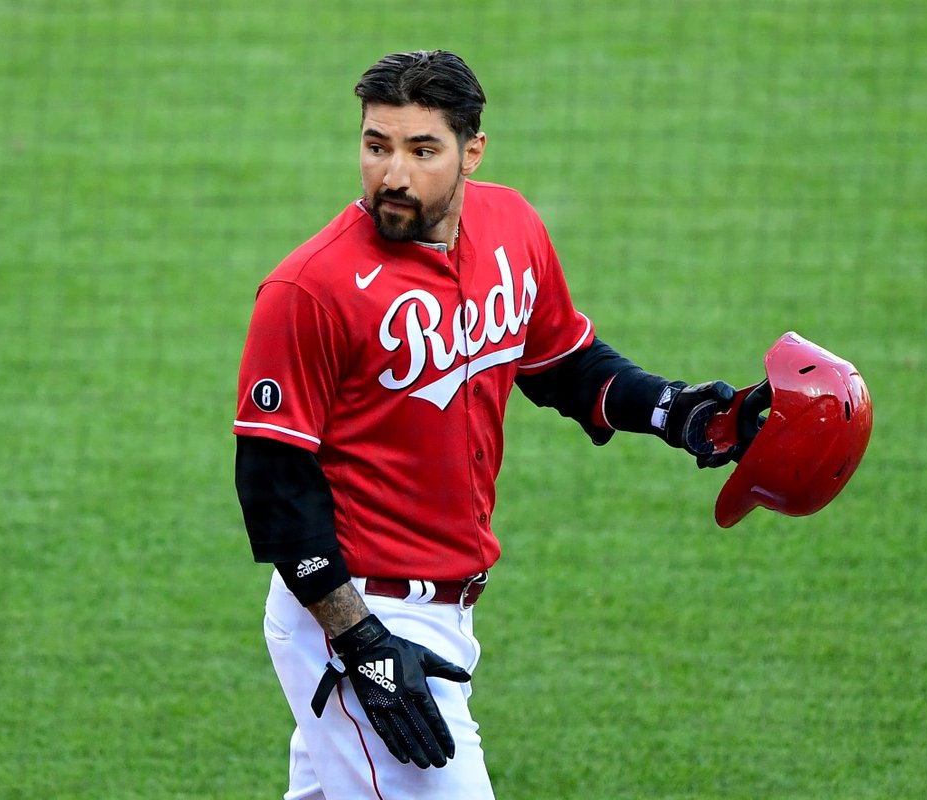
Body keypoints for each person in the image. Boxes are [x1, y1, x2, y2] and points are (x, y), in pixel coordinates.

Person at [233, 50, 740, 800]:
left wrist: (673, 409)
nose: (393, 174)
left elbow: (565, 363)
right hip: (357, 614)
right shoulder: (310, 289)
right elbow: (275, 486)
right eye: (376, 146)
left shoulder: (512, 228)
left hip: (448, 607)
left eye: (421, 149)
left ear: (473, 151)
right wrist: (359, 641)